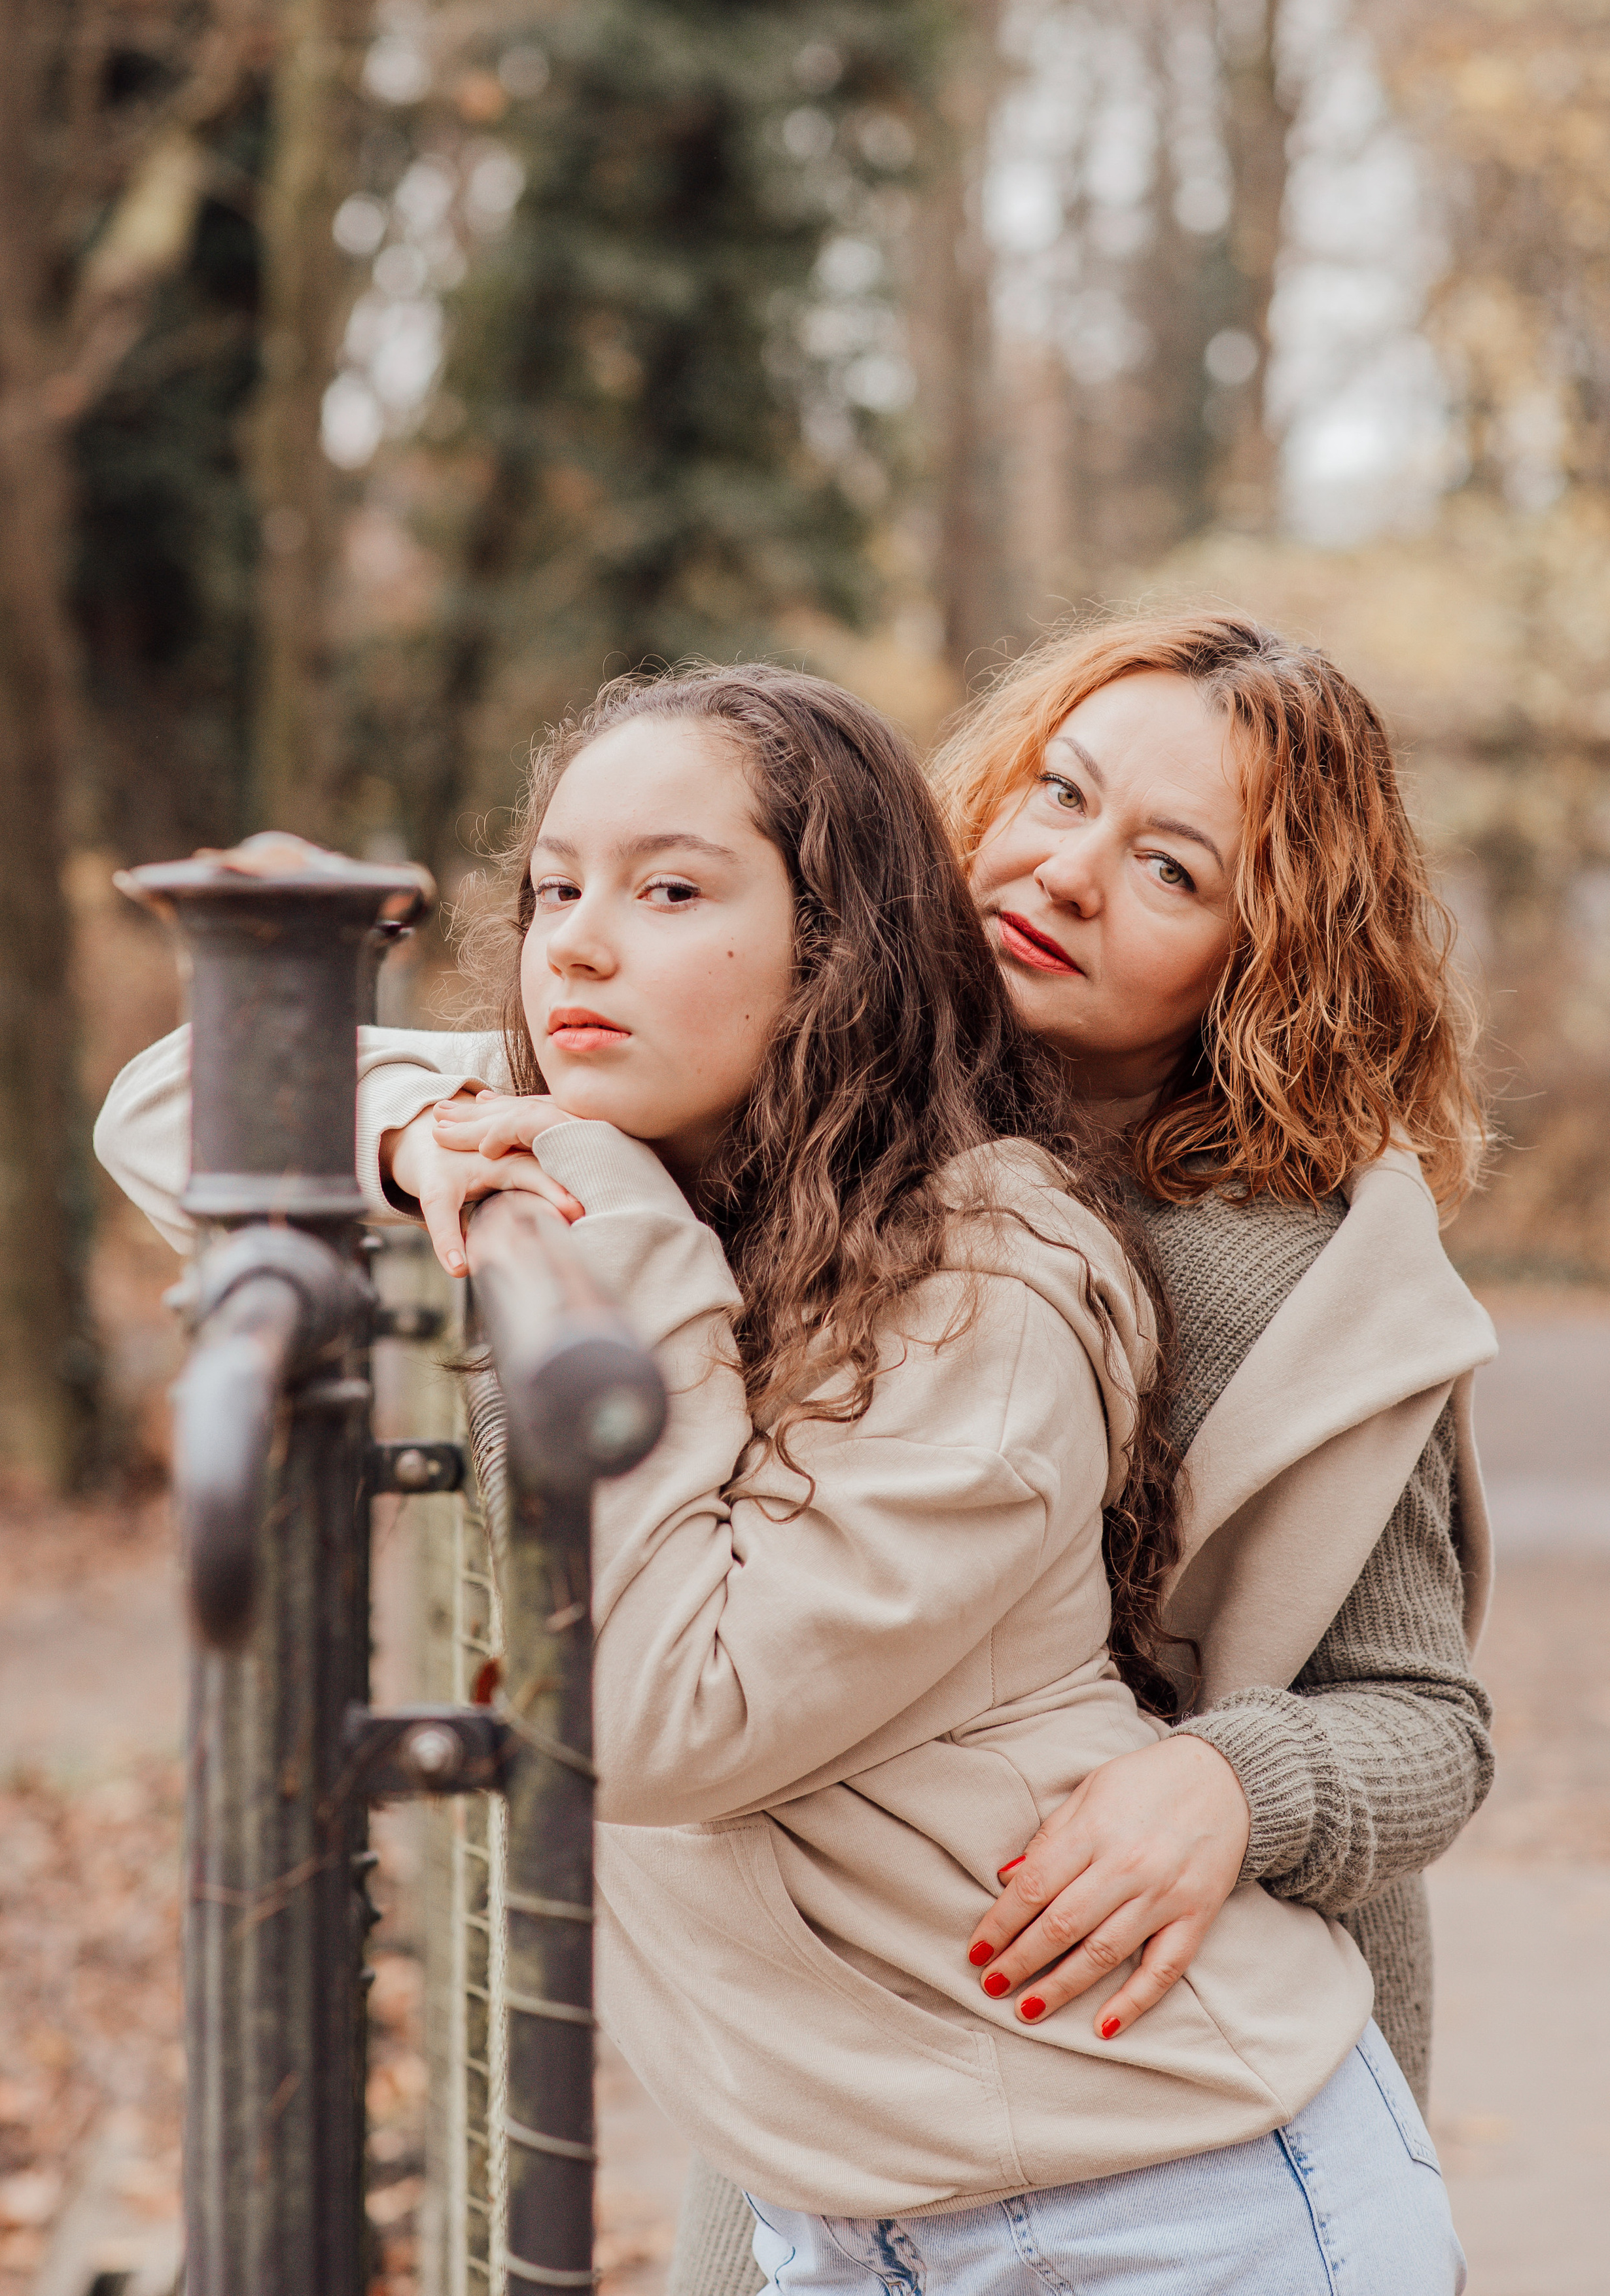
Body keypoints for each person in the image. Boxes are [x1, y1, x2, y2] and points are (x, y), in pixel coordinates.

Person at [99, 664, 1465, 2293]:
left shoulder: (1180, 1273)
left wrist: (1233, 1786)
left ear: (1271, 959)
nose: (1064, 871)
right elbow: (184, 1100)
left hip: (1108, 2075)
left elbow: (1423, 1717)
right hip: (829, 2113)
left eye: (1171, 866)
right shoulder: (722, 1112)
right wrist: (428, 1146)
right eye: (1055, 791)